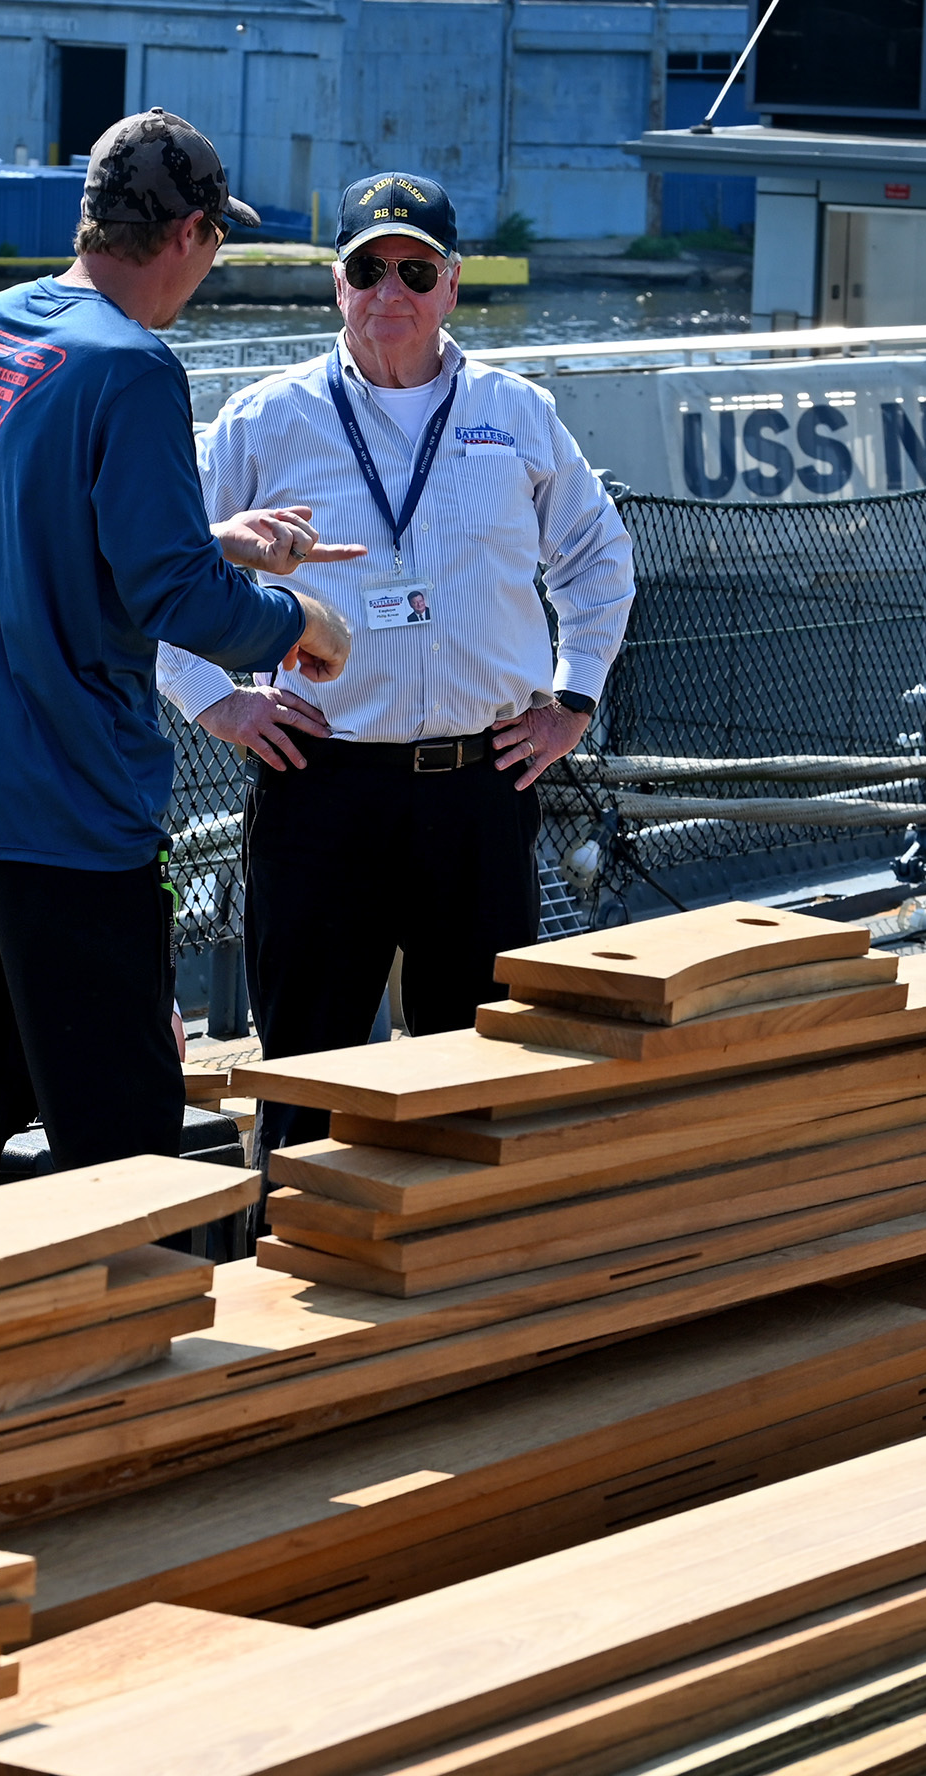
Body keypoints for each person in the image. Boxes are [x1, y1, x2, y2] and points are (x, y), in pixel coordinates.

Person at [0, 109, 357, 1205]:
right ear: (191, 231)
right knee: (120, 1128)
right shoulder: (136, 369)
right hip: (70, 809)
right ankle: (136, 1362)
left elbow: (40, 528)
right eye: (218, 240)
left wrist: (217, 537)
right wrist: (303, 622)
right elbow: (176, 599)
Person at [159, 171, 635, 1151]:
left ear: (452, 285)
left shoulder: (517, 411)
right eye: (368, 268)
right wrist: (218, 702)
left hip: (479, 787)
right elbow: (170, 569)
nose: (392, 292)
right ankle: (291, 1279)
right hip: (321, 786)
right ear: (337, 284)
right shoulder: (265, 418)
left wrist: (575, 697)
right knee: (307, 1072)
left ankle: (458, 1282)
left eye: (415, 270)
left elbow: (597, 555)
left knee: (478, 1072)